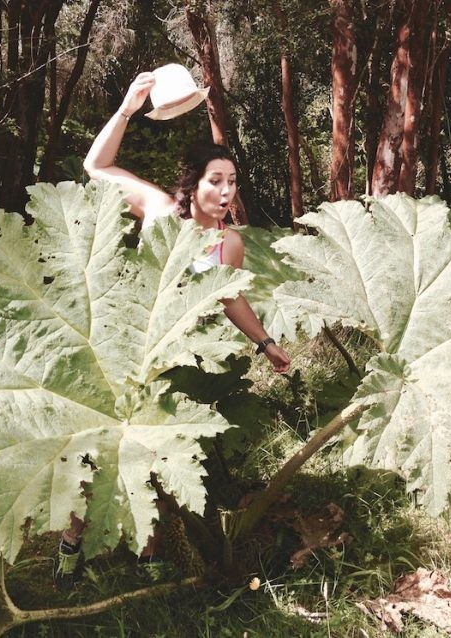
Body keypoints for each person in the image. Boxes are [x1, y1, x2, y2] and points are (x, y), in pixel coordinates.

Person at [54, 70, 291, 589]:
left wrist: (266, 343)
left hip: (173, 359)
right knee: (93, 447)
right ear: (195, 182)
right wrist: (128, 107)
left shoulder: (228, 244)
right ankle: (70, 542)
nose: (226, 191)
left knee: (155, 458)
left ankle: (148, 549)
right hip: (121, 345)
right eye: (216, 180)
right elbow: (97, 167)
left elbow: (230, 297)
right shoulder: (160, 211)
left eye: (232, 182)